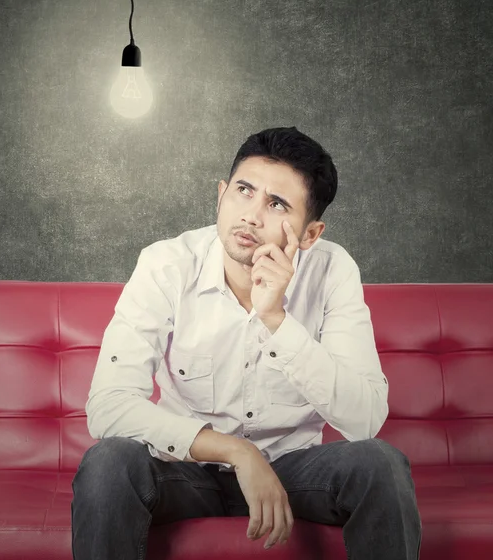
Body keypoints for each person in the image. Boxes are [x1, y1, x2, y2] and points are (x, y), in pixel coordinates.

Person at [71, 126, 422, 559]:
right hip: (185, 471)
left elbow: (364, 420)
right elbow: (108, 406)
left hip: (293, 473)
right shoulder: (166, 264)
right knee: (108, 463)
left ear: (310, 234)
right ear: (221, 194)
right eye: (243, 191)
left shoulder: (333, 270)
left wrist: (276, 319)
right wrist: (238, 453)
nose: (251, 216)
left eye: (276, 204)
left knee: (380, 465)